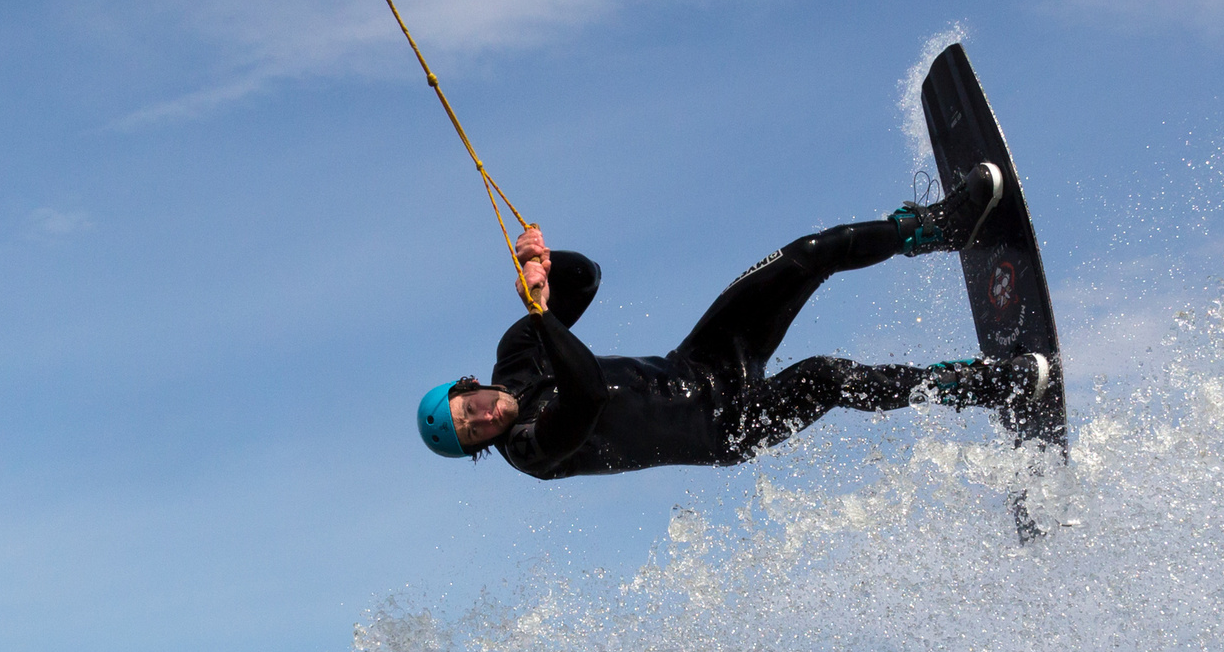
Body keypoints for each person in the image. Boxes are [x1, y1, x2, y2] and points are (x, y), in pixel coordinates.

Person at [415, 164, 1051, 477]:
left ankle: (936, 229)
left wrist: (544, 264)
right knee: (828, 376)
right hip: (726, 428)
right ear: (483, 449)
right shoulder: (529, 451)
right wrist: (540, 309)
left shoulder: (519, 349)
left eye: (469, 409)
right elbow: (581, 392)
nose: (485, 419)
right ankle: (987, 386)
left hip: (703, 361)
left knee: (808, 255)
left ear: (466, 386)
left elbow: (588, 280)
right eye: (475, 435)